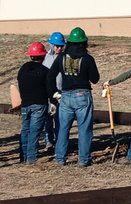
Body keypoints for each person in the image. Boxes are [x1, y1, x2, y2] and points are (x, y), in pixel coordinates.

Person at [47, 26, 100, 167]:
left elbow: (50, 76)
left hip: (65, 97)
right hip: (83, 95)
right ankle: (83, 160)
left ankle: (60, 159)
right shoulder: (88, 59)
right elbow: (95, 79)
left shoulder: (61, 58)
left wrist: (54, 93)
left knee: (63, 129)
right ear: (84, 43)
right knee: (84, 129)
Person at [17, 42, 50, 165]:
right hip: (39, 104)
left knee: (25, 130)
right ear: (43, 56)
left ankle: (23, 156)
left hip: (25, 104)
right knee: (34, 131)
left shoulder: (23, 69)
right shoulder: (45, 71)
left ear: (31, 55)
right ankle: (31, 158)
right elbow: (49, 89)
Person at [41, 30, 65, 150]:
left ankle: (59, 141)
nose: (59, 48)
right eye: (57, 46)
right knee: (48, 119)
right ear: (52, 45)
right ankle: (48, 141)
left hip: (61, 93)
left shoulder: (65, 58)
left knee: (59, 119)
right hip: (48, 92)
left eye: (61, 46)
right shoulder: (47, 59)